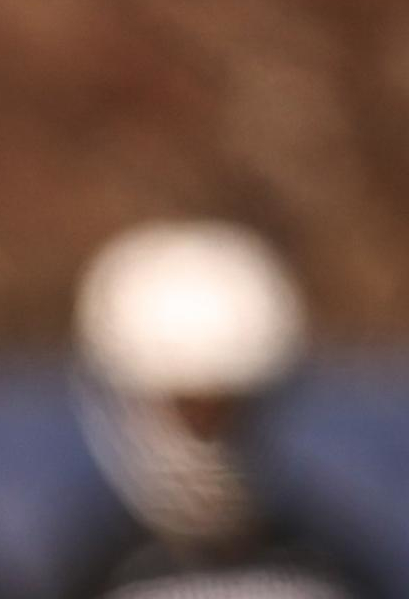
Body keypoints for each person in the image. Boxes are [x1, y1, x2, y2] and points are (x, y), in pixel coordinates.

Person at [61, 221, 381, 598]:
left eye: (230, 408)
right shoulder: (97, 572)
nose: (211, 434)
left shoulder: (330, 567)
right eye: (189, 407)